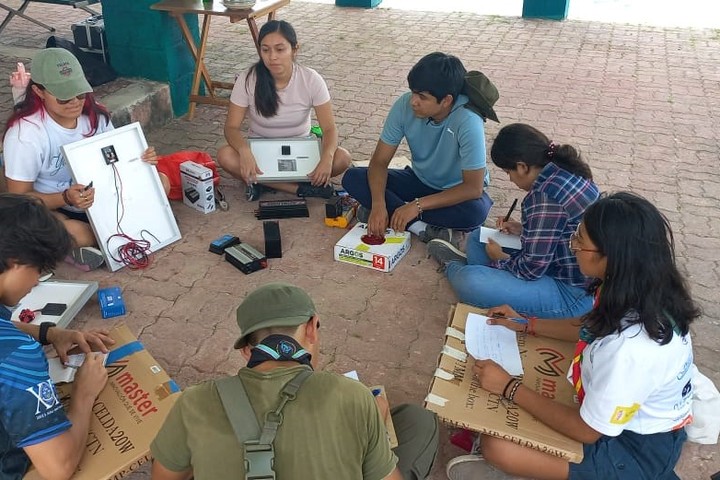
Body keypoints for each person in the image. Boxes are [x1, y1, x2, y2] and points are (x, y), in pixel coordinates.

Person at [446, 192, 698, 480]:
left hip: (629, 451)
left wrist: (508, 388)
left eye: (580, 241)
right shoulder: (636, 287)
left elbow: (587, 432)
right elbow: (589, 325)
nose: (573, 246)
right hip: (615, 417)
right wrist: (526, 324)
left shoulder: (629, 348)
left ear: (611, 255)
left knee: (497, 447)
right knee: (530, 386)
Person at [151, 282, 439, 480]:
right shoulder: (352, 396)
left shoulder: (192, 402)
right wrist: (369, 422)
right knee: (418, 420)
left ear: (246, 351)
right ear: (312, 329)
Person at [2, 48, 169, 271]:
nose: (75, 102)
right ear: (39, 92)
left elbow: (115, 158)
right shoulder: (26, 134)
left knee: (162, 181)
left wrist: (140, 158)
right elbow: (20, 199)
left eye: (80, 93)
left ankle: (88, 238)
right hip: (56, 204)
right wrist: (65, 198)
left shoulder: (95, 115)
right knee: (77, 233)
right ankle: (77, 243)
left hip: (103, 196)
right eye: (63, 97)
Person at [429, 123, 599, 319]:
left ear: (522, 167)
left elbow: (531, 269)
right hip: (559, 266)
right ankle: (482, 273)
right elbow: (559, 230)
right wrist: (523, 228)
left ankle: (454, 266)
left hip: (571, 293)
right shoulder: (566, 170)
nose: (510, 180)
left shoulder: (543, 195)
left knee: (471, 281)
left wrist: (499, 259)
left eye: (508, 173)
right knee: (478, 237)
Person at [0, 193, 114, 480]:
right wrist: (83, 394)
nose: (37, 281)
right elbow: (57, 468)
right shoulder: (17, 354)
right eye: (38, 269)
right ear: (15, 261)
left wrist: (50, 333)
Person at [341, 52, 495, 245]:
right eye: (413, 92)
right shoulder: (404, 106)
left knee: (475, 213)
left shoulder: (468, 120)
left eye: (422, 97)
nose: (413, 101)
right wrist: (379, 204)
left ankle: (399, 214)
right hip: (420, 181)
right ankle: (420, 227)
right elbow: (379, 162)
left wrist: (416, 206)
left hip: (456, 191)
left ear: (446, 100)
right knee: (353, 178)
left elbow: (473, 187)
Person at [217, 20, 351, 201]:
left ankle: (262, 183)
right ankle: (299, 189)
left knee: (342, 157)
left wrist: (326, 158)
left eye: (280, 49)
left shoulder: (311, 79)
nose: (272, 57)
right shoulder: (247, 79)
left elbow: (329, 129)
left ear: (295, 49)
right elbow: (231, 127)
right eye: (265, 50)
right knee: (225, 155)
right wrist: (244, 151)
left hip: (300, 150)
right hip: (260, 151)